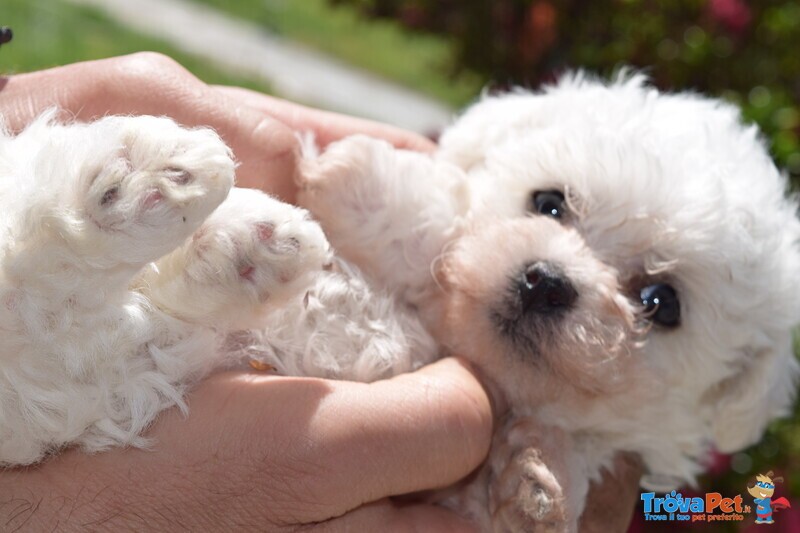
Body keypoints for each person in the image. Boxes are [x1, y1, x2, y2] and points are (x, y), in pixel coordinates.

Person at [0, 53, 642, 531]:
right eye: (551, 206)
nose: (556, 274)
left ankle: (85, 243)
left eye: (656, 302)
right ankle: (74, 234)